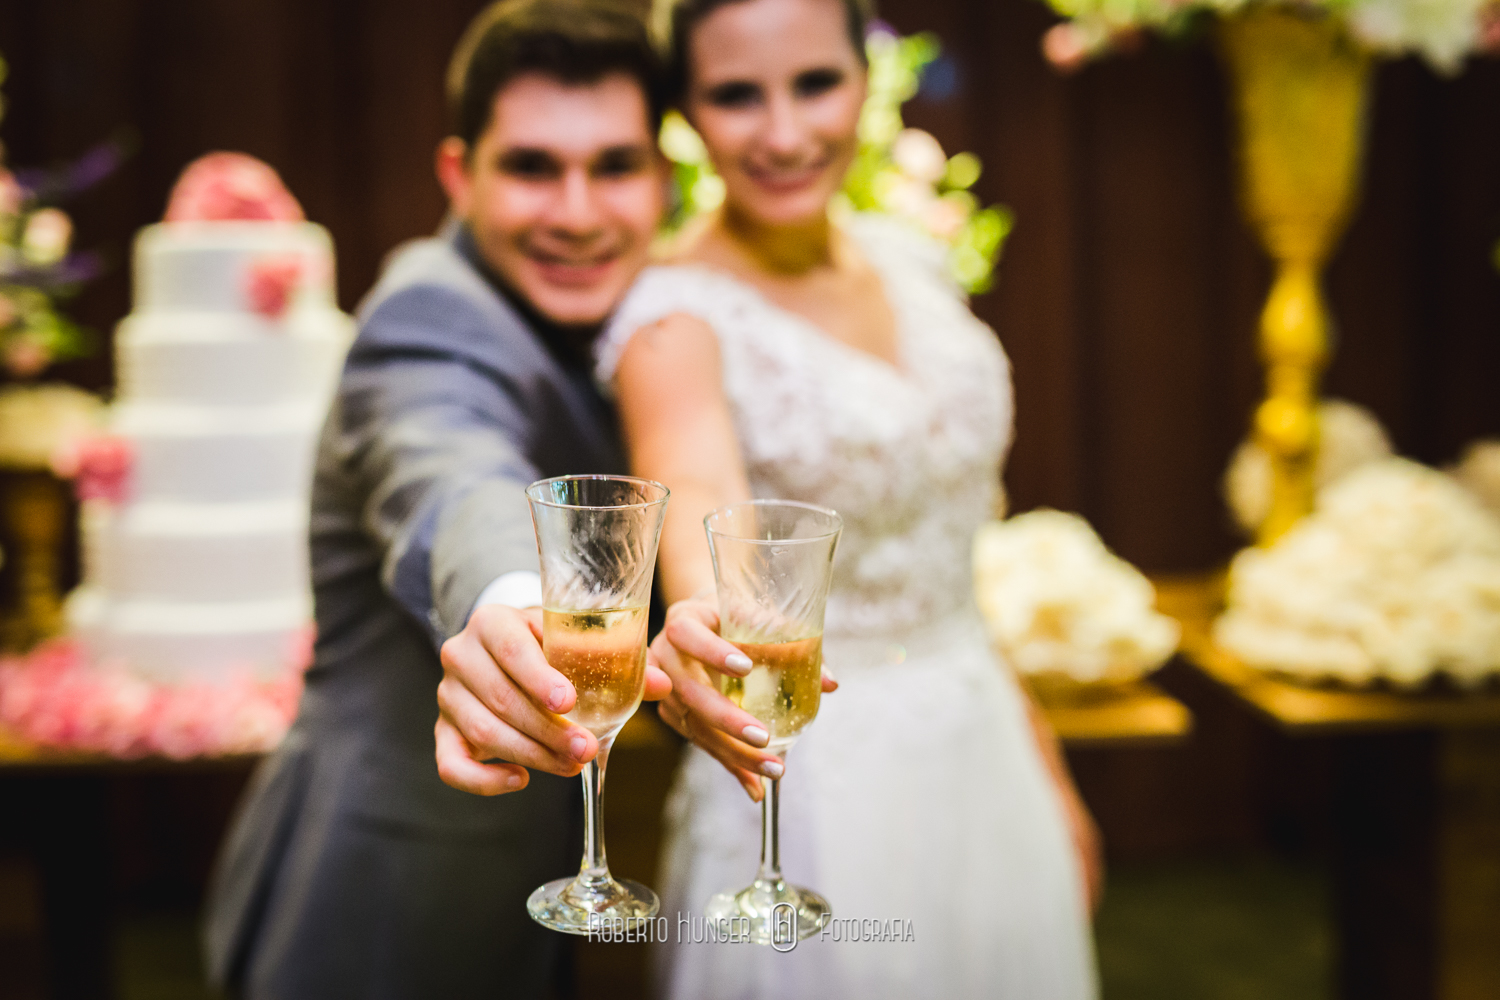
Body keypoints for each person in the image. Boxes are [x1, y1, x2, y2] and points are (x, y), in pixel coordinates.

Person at [591, 0, 1103, 995]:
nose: (784, 133)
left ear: (866, 79)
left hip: (982, 742)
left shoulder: (910, 261)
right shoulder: (673, 320)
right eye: (737, 96)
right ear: (685, 113)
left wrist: (1043, 764)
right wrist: (706, 623)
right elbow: (699, 500)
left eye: (814, 83)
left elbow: (954, 557)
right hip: (816, 783)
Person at [202, 3, 695, 996]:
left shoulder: (634, 323)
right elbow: (446, 467)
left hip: (514, 896)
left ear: (664, 182)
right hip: (375, 909)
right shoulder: (428, 313)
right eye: (530, 167)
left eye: (614, 166)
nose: (578, 209)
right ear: (457, 175)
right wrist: (513, 602)